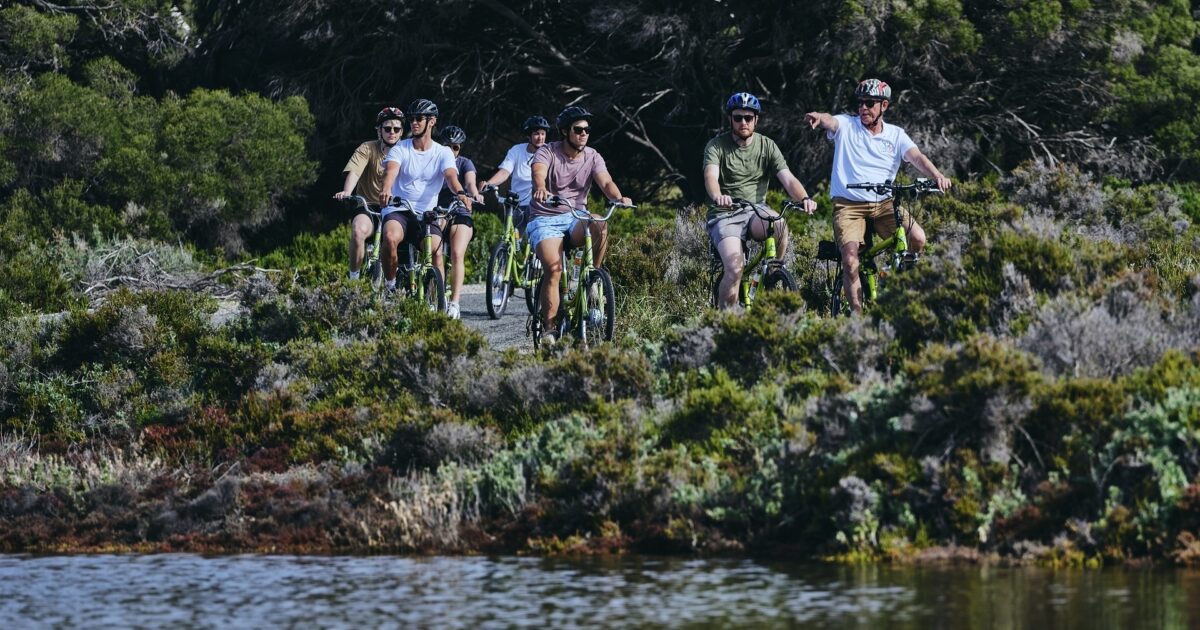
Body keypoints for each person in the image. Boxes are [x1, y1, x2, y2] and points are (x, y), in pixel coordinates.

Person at [804, 78, 952, 313]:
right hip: (849, 205)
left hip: (884, 204)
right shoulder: (847, 125)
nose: (863, 108)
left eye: (870, 103)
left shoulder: (896, 134)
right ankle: (857, 317)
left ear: (884, 106)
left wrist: (937, 176)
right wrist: (819, 118)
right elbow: (830, 120)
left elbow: (916, 157)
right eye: (860, 103)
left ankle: (894, 282)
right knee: (851, 261)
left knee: (917, 238)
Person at [703, 92, 818, 309]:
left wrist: (804, 198)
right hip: (725, 215)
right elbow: (710, 177)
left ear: (756, 119)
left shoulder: (767, 146)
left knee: (780, 225)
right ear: (730, 119)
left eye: (748, 117)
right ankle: (724, 323)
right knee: (735, 269)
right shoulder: (716, 146)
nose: (743, 122)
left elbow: (788, 179)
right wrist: (718, 195)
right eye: (738, 118)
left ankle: (773, 275)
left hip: (755, 210)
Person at [528, 105, 632, 344]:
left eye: (587, 129)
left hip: (576, 215)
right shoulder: (547, 151)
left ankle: (593, 279)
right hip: (545, 218)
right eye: (578, 129)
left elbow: (606, 182)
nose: (583, 133)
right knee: (553, 270)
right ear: (565, 131)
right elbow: (538, 172)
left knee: (599, 223)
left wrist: (618, 198)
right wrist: (541, 188)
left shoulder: (593, 156)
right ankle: (550, 329)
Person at [378, 98, 472, 299]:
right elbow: (391, 172)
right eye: (412, 119)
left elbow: (451, 176)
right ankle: (390, 286)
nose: (414, 123)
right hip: (399, 210)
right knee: (390, 237)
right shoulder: (400, 148)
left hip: (427, 215)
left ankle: (437, 303)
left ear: (432, 122)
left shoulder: (443, 152)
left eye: (419, 118)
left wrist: (461, 193)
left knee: (437, 254)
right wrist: (386, 189)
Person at [333, 107, 406, 280]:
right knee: (358, 231)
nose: (392, 133)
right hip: (369, 205)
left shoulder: (407, 150)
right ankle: (354, 280)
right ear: (379, 130)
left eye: (396, 129)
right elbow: (355, 171)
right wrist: (347, 192)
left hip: (396, 208)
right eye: (387, 128)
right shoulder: (367, 148)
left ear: (402, 131)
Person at [435, 125, 481, 319]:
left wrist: (474, 193)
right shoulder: (434, 162)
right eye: (448, 147)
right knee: (434, 251)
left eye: (455, 147)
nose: (452, 151)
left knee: (456, 253)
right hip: (438, 209)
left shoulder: (465, 163)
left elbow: (470, 182)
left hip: (461, 209)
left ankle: (454, 302)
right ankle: (437, 296)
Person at [480, 115, 551, 236]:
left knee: (539, 240)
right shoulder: (517, 150)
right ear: (528, 136)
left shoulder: (550, 152)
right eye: (536, 134)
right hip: (518, 205)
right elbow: (505, 172)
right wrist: (489, 183)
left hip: (540, 205)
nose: (540, 138)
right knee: (512, 240)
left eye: (543, 134)